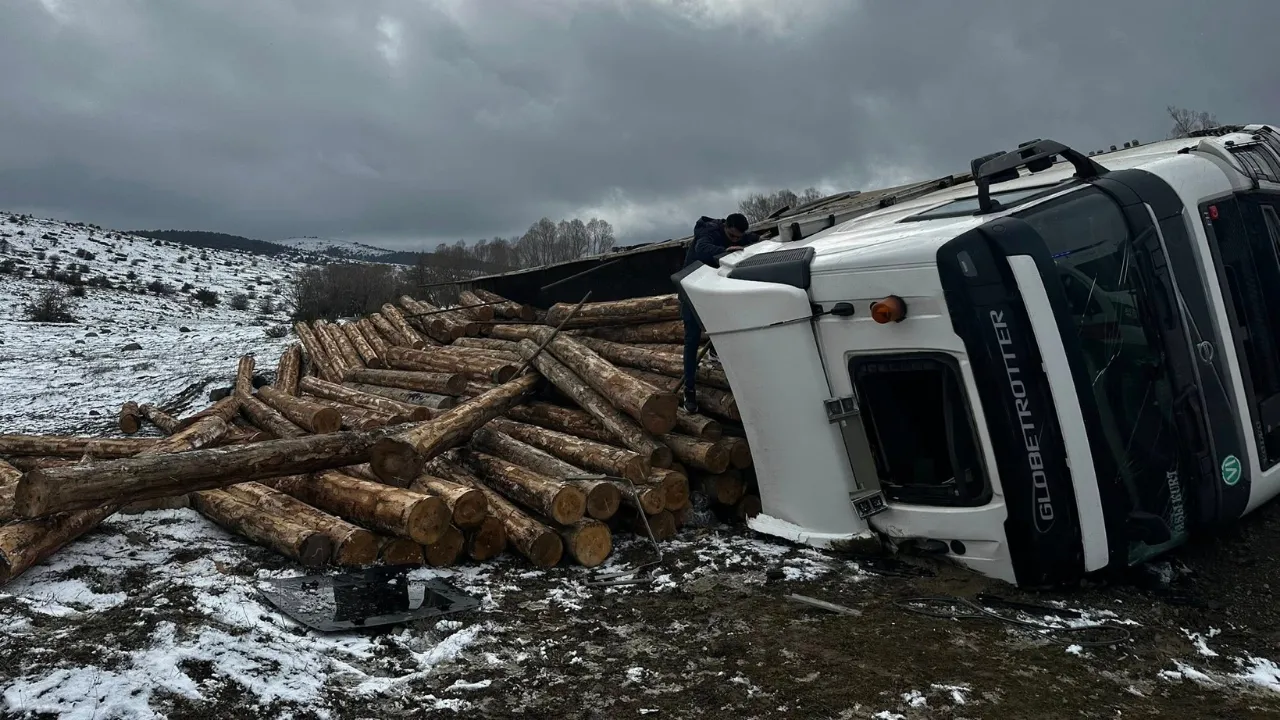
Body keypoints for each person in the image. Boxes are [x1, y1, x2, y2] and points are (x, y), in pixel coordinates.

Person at [678, 213, 757, 413]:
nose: (736, 240)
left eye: (739, 237)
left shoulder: (737, 234)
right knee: (692, 338)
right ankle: (689, 390)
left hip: (713, 287)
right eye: (732, 236)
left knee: (728, 320)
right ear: (725, 227)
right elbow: (702, 249)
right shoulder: (708, 231)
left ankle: (715, 351)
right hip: (691, 286)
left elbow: (755, 240)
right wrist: (725, 250)